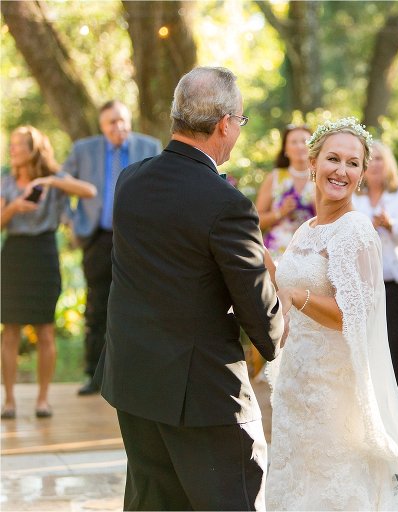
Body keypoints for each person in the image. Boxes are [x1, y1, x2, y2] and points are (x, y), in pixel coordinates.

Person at [97, 67, 285, 511]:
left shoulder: (131, 181)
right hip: (204, 396)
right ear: (224, 123)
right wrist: (278, 326)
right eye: (239, 121)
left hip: (134, 381)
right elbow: (259, 316)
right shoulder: (226, 204)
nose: (237, 130)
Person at [265, 117, 398, 510]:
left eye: (353, 163)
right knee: (294, 484)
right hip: (296, 383)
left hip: (333, 390)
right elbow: (284, 288)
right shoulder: (306, 229)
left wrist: (297, 294)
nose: (342, 170)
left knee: (333, 488)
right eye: (333, 159)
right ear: (313, 163)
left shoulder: (355, 231)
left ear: (362, 172)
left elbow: (351, 316)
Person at [62, 100, 162, 396]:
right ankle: (94, 374)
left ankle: (136, 372)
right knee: (97, 306)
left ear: (128, 120)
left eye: (122, 120)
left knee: (140, 304)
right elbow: (61, 182)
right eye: (111, 123)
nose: (118, 127)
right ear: (102, 126)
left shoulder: (151, 147)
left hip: (138, 239)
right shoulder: (83, 150)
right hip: (98, 238)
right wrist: (71, 221)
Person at [1, 126, 96, 420]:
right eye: (12, 144)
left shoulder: (54, 180)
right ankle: (9, 400)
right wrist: (15, 207)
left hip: (44, 255)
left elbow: (89, 191)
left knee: (45, 329)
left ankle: (43, 399)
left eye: (19, 144)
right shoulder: (5, 181)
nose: (13, 149)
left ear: (34, 149)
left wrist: (50, 181)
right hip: (14, 255)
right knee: (10, 329)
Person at [351, 140, 398, 410]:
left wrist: (391, 224)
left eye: (380, 159)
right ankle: (368, 397)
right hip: (363, 278)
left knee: (396, 336)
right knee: (365, 335)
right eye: (370, 160)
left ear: (389, 163)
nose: (375, 165)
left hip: (397, 276)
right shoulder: (354, 195)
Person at [255, 124, 315, 261]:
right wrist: (280, 212)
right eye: (294, 142)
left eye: (304, 141)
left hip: (311, 253)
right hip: (277, 252)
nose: (300, 146)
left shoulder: (322, 178)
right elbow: (256, 221)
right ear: (285, 149)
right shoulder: (274, 178)